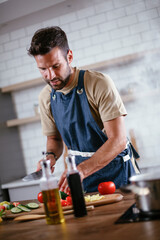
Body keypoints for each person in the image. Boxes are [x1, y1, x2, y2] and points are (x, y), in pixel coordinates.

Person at [28, 26, 140, 193]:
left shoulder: (98, 83)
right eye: (43, 69)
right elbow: (55, 139)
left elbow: (117, 140)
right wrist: (50, 156)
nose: (50, 76)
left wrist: (82, 169)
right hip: (82, 180)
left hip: (118, 175)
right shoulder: (46, 97)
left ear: (70, 57)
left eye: (56, 66)